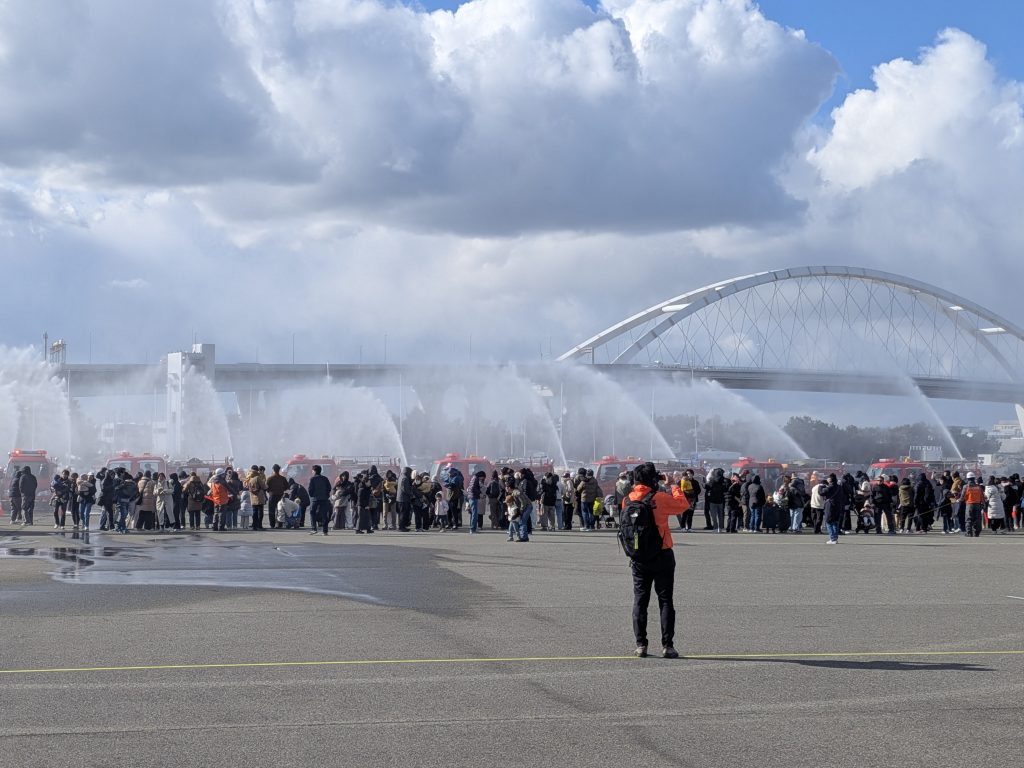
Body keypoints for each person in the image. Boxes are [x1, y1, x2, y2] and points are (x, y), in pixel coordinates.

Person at [624, 462, 689, 659]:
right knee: (665, 600)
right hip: (662, 554)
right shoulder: (659, 498)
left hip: (638, 557)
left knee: (640, 600)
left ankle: (641, 645)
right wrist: (673, 484)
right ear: (653, 479)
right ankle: (668, 645)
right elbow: (683, 505)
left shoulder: (627, 500)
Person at [307, 464, 332, 536]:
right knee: (324, 514)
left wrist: (312, 495)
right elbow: (329, 488)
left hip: (315, 499)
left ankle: (314, 529)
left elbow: (310, 489)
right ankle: (325, 531)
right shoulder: (325, 478)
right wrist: (326, 495)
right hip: (324, 498)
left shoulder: (312, 479)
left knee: (312, 512)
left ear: (314, 471)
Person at [820, 473, 844, 544]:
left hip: (830, 506)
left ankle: (832, 538)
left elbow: (821, 493)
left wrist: (821, 486)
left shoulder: (830, 487)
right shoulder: (839, 487)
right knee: (835, 522)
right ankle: (835, 538)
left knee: (829, 522)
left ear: (830, 479)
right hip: (838, 505)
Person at [265, 465, 288, 530]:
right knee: (280, 510)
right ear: (279, 470)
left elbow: (266, 487)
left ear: (273, 470)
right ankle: (279, 524)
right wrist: (282, 490)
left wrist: (269, 492)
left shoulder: (270, 478)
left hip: (272, 496)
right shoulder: (283, 478)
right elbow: (287, 486)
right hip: (280, 496)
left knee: (271, 510)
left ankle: (272, 524)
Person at [397, 467, 414, 532]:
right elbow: (405, 489)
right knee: (403, 513)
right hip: (403, 499)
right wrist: (411, 494)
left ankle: (402, 526)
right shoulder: (405, 478)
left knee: (402, 513)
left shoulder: (401, 477)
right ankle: (402, 527)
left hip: (400, 498)